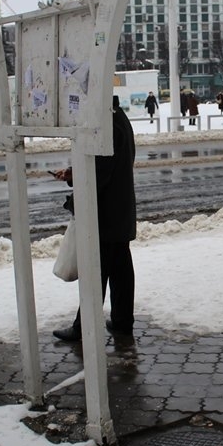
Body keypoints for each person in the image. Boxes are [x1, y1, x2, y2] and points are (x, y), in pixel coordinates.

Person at [52, 95, 137, 341]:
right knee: (120, 270)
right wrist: (73, 173)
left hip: (105, 214)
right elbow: (102, 165)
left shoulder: (107, 125)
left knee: (96, 272)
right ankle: (122, 321)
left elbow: (98, 174)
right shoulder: (118, 118)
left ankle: (83, 328)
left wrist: (76, 201)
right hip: (118, 210)